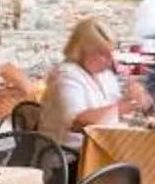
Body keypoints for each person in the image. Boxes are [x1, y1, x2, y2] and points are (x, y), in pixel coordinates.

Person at [41, 18, 146, 147]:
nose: (110, 59)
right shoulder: (65, 75)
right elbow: (78, 121)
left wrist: (136, 99)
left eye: (111, 52)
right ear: (80, 50)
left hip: (98, 148)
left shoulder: (104, 75)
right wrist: (121, 108)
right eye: (102, 53)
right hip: (69, 156)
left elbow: (114, 106)